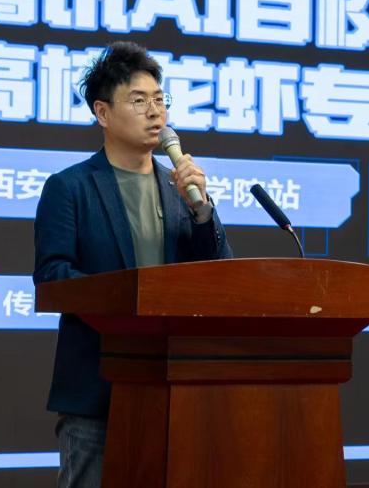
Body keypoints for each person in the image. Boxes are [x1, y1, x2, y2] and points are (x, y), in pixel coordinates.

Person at [33, 41, 232, 488]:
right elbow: (52, 277)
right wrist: (127, 303)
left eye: (160, 99)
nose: (155, 112)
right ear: (102, 113)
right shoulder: (70, 188)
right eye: (139, 101)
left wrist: (203, 212)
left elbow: (219, 273)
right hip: (97, 388)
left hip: (175, 386)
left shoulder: (182, 189)